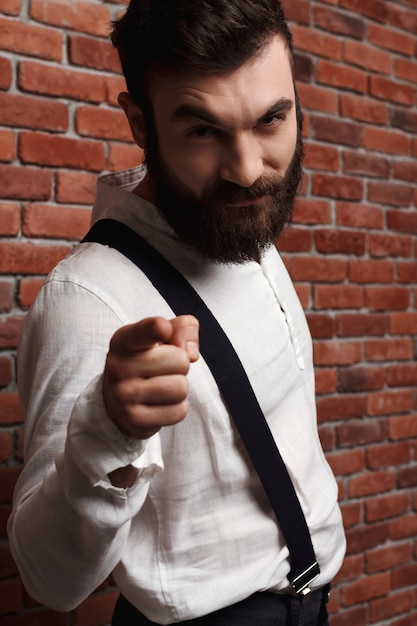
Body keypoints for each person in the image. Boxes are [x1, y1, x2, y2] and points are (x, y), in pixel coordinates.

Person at [8, 1, 346, 625]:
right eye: (202, 131)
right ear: (140, 122)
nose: (247, 171)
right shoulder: (87, 300)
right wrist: (108, 429)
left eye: (272, 119)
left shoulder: (236, 223)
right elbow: (47, 577)